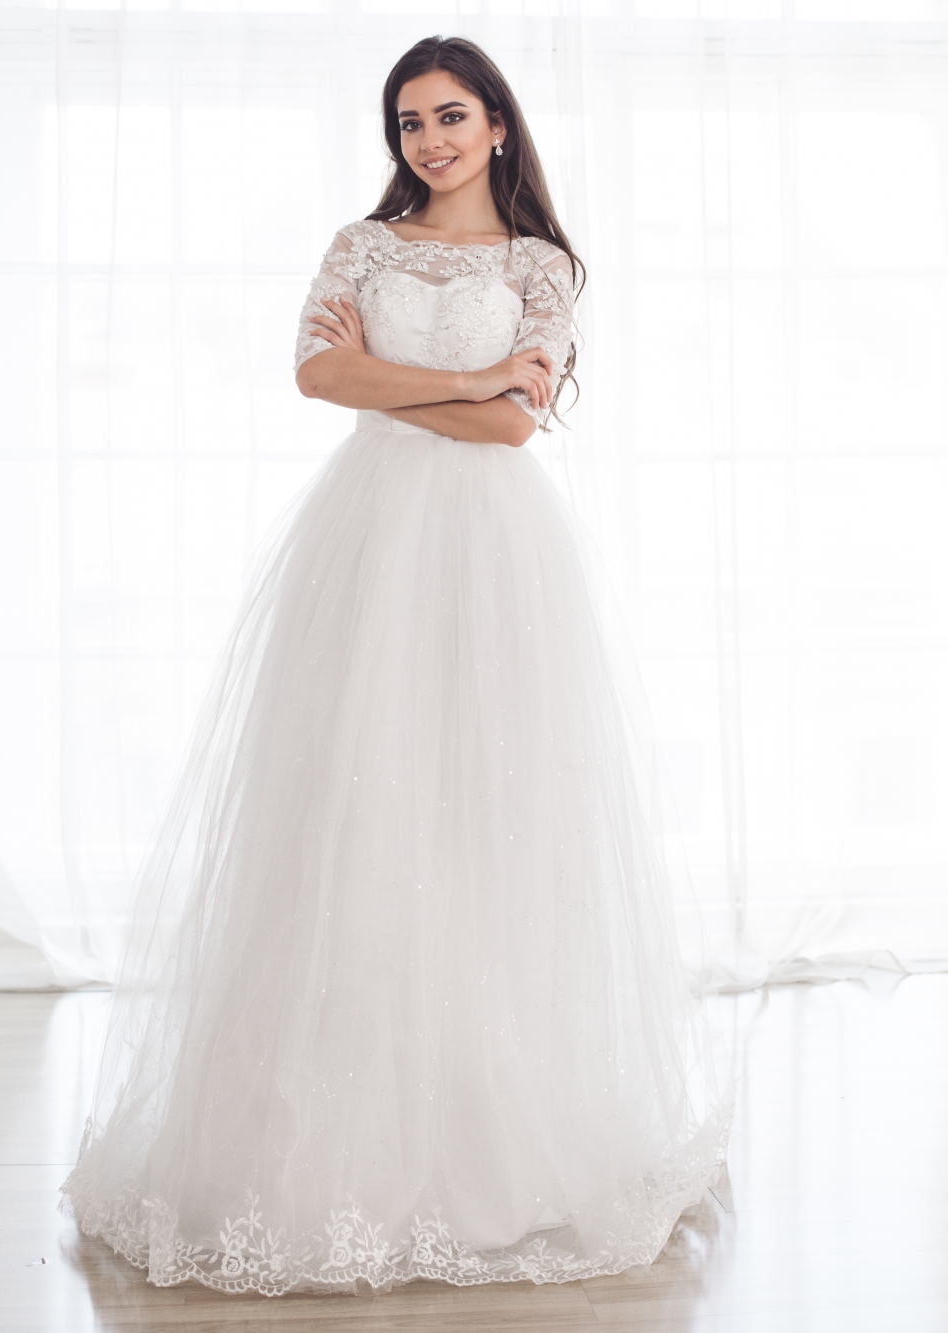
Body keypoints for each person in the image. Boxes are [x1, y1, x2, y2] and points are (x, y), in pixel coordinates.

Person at [61, 34, 730, 1296]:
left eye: (451, 116)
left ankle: (492, 1126)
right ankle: (321, 1132)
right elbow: (318, 372)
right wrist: (467, 374)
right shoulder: (360, 246)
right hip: (367, 543)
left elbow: (513, 428)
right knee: (351, 806)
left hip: (497, 552)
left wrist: (408, 384)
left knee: (488, 813)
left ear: (498, 125)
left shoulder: (540, 266)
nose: (429, 141)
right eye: (410, 122)